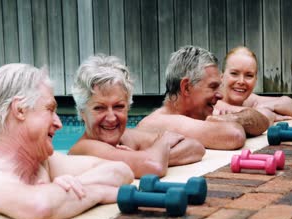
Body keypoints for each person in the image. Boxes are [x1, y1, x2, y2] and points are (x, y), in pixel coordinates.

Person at [0, 63, 134, 219]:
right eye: (50, 110)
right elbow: (38, 206)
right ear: (20, 110)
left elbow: (121, 170)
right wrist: (99, 193)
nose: (58, 123)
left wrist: (69, 189)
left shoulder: (43, 163)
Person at [69, 54, 205, 178]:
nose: (111, 118)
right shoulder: (85, 148)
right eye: (99, 108)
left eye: (118, 106)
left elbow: (196, 147)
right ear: (82, 112)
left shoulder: (126, 137)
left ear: (128, 106)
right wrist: (163, 143)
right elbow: (154, 166)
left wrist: (148, 155)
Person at [137, 45, 270, 150]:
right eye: (213, 87)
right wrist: (228, 121)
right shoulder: (157, 122)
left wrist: (230, 118)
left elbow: (262, 122)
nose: (220, 95)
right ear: (186, 88)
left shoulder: (199, 114)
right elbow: (234, 135)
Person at [215, 46, 292, 124]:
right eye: (234, 73)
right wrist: (267, 114)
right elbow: (252, 118)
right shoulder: (213, 101)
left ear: (256, 80)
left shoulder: (249, 100)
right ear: (221, 77)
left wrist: (267, 106)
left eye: (249, 75)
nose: (241, 81)